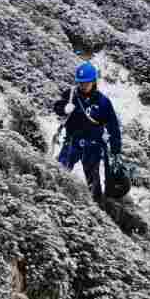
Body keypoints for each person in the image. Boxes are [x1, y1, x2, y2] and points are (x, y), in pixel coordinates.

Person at [53, 61, 122, 208]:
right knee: (58, 172)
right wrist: (64, 108)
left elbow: (113, 127)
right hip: (72, 142)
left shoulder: (103, 102)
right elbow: (57, 107)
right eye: (81, 83)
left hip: (93, 146)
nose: (83, 86)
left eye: (86, 83)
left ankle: (97, 210)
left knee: (94, 183)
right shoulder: (71, 95)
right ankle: (53, 199)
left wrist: (116, 150)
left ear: (93, 81)